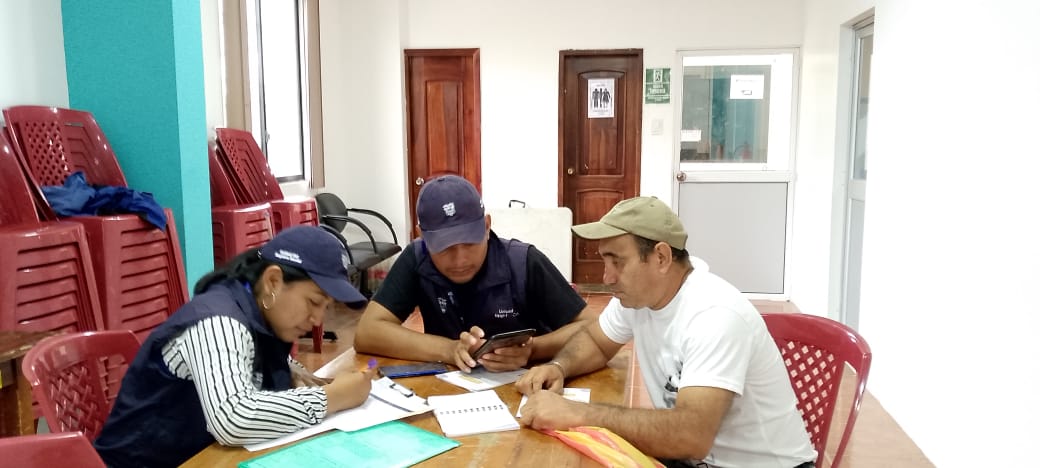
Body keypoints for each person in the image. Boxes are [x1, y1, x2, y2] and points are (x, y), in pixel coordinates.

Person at [515, 197, 817, 468]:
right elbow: (597, 341)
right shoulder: (638, 297)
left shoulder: (715, 315)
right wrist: (558, 366)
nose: (607, 277)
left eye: (617, 262)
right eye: (605, 262)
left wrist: (579, 413)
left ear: (661, 257)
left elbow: (690, 436)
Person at [94, 225, 376, 468]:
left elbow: (248, 354)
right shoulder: (217, 320)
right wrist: (331, 398)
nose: (317, 320)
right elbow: (233, 417)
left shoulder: (257, 309)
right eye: (313, 302)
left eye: (326, 307)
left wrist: (289, 369)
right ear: (273, 281)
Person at [354, 175, 594, 372]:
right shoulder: (417, 258)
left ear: (487, 226)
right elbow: (367, 333)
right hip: (452, 393)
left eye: (470, 243)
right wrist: (449, 350)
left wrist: (533, 349)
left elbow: (591, 326)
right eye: (445, 247)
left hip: (529, 389)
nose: (460, 260)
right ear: (422, 236)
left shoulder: (524, 262)